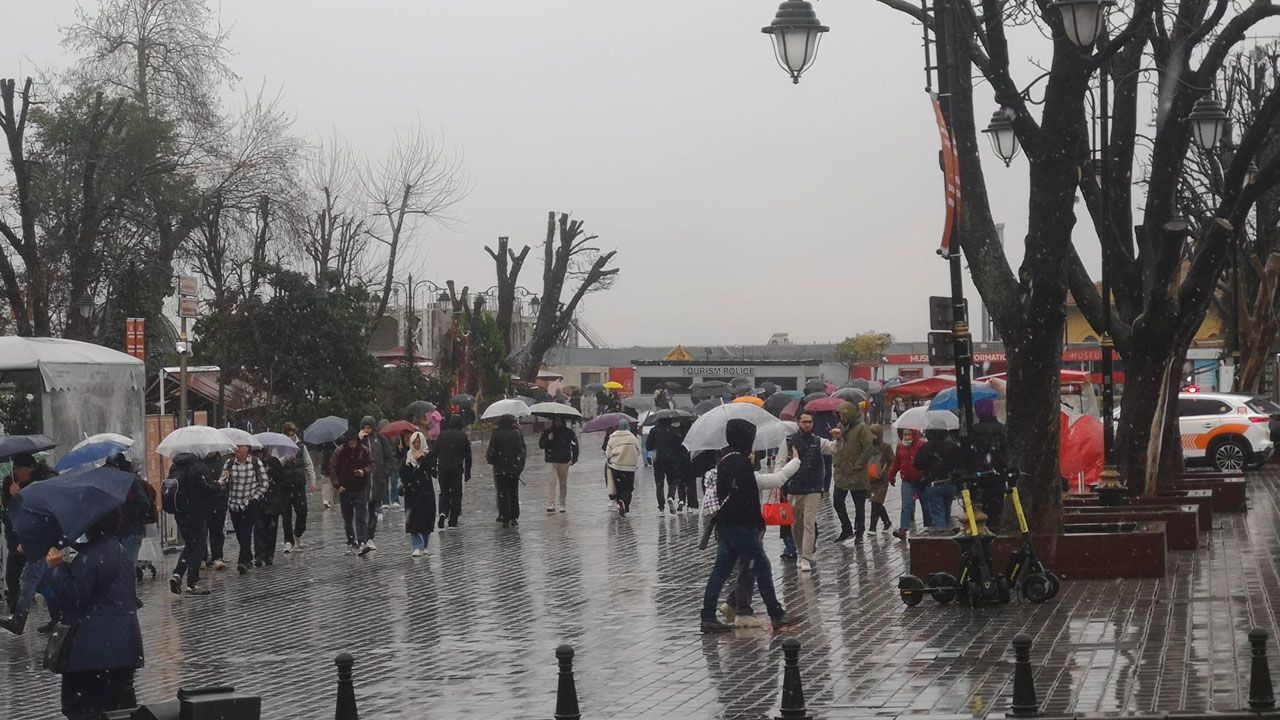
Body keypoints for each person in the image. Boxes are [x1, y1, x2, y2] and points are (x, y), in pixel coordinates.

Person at [699, 419, 802, 634]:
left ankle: (708, 616)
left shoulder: (725, 460)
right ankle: (777, 615)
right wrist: (755, 522)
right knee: (761, 566)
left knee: (721, 570)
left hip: (726, 525)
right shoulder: (740, 464)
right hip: (742, 526)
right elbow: (744, 498)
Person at [41, 508, 145, 719]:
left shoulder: (93, 555)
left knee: (83, 710)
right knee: (117, 711)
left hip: (92, 653)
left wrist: (54, 569)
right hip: (122, 649)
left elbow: (72, 597)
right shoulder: (117, 550)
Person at [783, 412, 836, 572]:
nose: (807, 425)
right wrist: (779, 482)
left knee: (809, 522)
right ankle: (800, 551)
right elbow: (780, 462)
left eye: (810, 422)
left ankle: (806, 556)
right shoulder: (789, 442)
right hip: (795, 487)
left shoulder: (818, 441)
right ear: (798, 422)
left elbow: (833, 449)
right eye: (804, 422)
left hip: (814, 487)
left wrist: (839, 438)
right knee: (796, 524)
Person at [167, 452, 217, 596]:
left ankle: (177, 574)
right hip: (196, 512)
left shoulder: (176, 466)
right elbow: (208, 488)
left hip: (180, 512)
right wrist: (219, 484)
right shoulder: (198, 467)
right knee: (198, 546)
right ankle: (192, 583)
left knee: (190, 544)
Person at [221, 444, 270, 573]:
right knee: (239, 533)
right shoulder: (229, 463)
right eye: (236, 447)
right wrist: (224, 479)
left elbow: (264, 483)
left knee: (246, 532)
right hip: (234, 504)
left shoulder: (255, 462)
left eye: (240, 446)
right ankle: (247, 557)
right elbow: (222, 482)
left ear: (247, 448)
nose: (237, 449)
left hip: (249, 503)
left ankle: (242, 562)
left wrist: (255, 497)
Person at [108, 453, 156, 585]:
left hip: (131, 530)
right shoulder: (116, 482)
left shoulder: (130, 480)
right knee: (122, 567)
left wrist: (128, 513)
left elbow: (144, 503)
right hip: (120, 531)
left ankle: (128, 594)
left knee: (127, 566)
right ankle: (125, 593)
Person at [831, 402, 875, 544]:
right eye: (839, 415)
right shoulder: (840, 427)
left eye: (843, 415)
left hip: (857, 474)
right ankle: (846, 528)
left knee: (859, 506)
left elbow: (868, 448)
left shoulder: (862, 428)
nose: (841, 418)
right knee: (838, 501)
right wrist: (836, 460)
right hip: (842, 472)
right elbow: (835, 446)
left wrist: (858, 465)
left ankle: (859, 532)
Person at [331, 432, 375, 556]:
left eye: (354, 443)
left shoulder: (364, 450)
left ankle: (362, 541)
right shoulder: (339, 452)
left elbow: (371, 464)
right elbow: (333, 468)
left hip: (360, 488)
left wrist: (364, 471)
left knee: (361, 517)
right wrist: (337, 485)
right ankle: (351, 541)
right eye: (350, 443)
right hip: (345, 489)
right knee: (347, 518)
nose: (352, 445)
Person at [914, 420, 965, 528]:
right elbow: (959, 464)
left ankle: (942, 533)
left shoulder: (925, 447)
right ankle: (945, 529)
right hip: (950, 484)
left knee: (937, 513)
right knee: (946, 511)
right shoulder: (952, 446)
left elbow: (917, 465)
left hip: (933, 483)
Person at [970, 399, 1009, 527]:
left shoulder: (973, 430)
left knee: (980, 506)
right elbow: (1006, 450)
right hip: (997, 473)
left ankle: (983, 529)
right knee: (996, 506)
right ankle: (995, 527)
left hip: (978, 474)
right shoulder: (1000, 428)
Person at [280, 422, 316, 553]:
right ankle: (288, 541)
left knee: (302, 511)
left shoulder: (301, 447)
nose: (290, 436)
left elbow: (308, 464)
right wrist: (285, 458)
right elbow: (276, 463)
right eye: (288, 434)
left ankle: (298, 533)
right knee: (286, 515)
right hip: (285, 485)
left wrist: (313, 481)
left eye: (292, 433)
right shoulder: (280, 447)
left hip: (299, 484)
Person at [486, 414, 527, 527]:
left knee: (502, 493)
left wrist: (493, 461)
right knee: (513, 492)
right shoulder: (516, 433)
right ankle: (514, 516)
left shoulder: (496, 434)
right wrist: (518, 464)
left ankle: (505, 517)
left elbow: (491, 452)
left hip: (500, 468)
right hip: (513, 468)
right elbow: (521, 449)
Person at [399, 431, 436, 556]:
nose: (416, 444)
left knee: (426, 519)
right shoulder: (407, 456)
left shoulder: (428, 455)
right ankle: (417, 546)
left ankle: (424, 545)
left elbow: (433, 471)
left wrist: (422, 461)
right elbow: (402, 473)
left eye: (419, 442)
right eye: (414, 442)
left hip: (426, 492)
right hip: (412, 493)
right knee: (413, 520)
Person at [360, 417, 395, 542]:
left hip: (377, 480)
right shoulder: (358, 441)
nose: (366, 430)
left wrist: (385, 472)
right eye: (364, 428)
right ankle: (361, 537)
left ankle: (370, 537)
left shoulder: (380, 439)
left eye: (368, 428)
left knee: (373, 509)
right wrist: (359, 440)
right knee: (360, 511)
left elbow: (389, 457)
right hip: (362, 482)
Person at [435, 415, 472, 529]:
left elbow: (435, 452)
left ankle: (443, 512)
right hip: (456, 469)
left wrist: (433, 468)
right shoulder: (463, 437)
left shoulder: (442, 435)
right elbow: (468, 456)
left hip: (443, 468)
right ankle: (453, 519)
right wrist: (468, 471)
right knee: (456, 493)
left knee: (444, 492)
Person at [253, 447, 288, 566]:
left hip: (273, 500)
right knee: (259, 528)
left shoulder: (273, 462)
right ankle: (259, 555)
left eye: (259, 453)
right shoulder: (253, 464)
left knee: (271, 528)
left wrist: (270, 472)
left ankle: (269, 554)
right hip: (259, 499)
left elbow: (282, 480)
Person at [890, 429, 926, 540]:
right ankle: (903, 529)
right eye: (905, 435)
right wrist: (892, 475)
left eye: (909, 434)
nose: (907, 437)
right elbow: (897, 462)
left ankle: (929, 527)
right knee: (906, 505)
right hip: (907, 480)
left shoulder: (921, 445)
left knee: (925, 505)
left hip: (921, 480)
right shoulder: (900, 446)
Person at [538, 417, 579, 513]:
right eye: (555, 420)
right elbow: (541, 445)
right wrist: (548, 439)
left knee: (563, 483)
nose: (557, 422)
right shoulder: (548, 432)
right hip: (551, 460)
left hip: (564, 460)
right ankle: (551, 504)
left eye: (559, 420)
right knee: (552, 482)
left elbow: (574, 445)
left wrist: (574, 458)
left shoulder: (568, 432)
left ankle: (562, 504)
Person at [646, 417, 685, 513]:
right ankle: (671, 496)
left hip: (658, 460)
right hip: (672, 460)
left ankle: (661, 508)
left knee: (659, 484)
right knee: (673, 481)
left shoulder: (654, 430)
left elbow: (648, 446)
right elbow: (680, 445)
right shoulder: (674, 431)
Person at [605, 418, 641, 516]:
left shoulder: (613, 437)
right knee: (629, 488)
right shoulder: (632, 437)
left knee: (619, 487)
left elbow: (608, 453)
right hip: (630, 467)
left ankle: (620, 502)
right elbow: (638, 451)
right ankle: (626, 504)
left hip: (616, 466)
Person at [866, 425, 896, 532]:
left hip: (882, 480)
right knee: (877, 502)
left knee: (876, 502)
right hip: (871, 479)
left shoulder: (885, 447)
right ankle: (887, 521)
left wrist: (888, 472)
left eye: (874, 434)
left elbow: (892, 461)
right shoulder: (867, 446)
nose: (872, 436)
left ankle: (872, 527)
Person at [202, 451, 229, 570]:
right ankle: (202, 557)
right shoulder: (200, 464)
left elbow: (226, 482)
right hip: (204, 503)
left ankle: (217, 557)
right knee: (202, 532)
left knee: (217, 531)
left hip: (219, 502)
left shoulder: (222, 463)